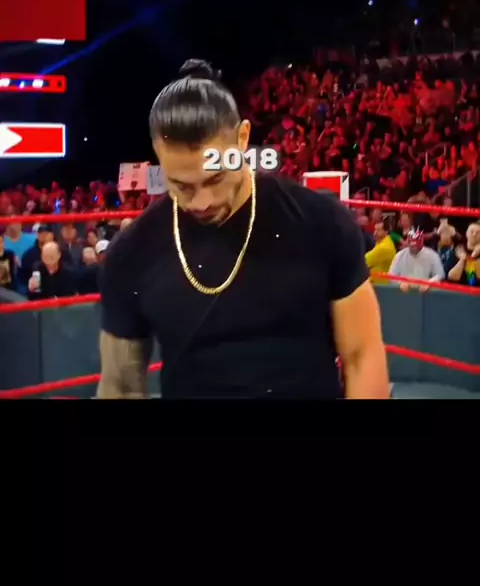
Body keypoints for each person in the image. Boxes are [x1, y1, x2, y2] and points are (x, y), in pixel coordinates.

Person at [98, 58, 390, 400]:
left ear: (242, 140)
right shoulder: (132, 253)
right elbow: (120, 386)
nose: (201, 202)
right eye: (181, 185)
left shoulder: (321, 221)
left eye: (215, 179)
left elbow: (362, 355)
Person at [389, 228, 444, 292]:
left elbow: (440, 274)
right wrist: (400, 282)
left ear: (421, 243)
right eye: (412, 245)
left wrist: (429, 282)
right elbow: (391, 275)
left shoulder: (432, 255)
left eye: (416, 246)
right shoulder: (399, 256)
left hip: (424, 293)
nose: (414, 248)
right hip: (404, 292)